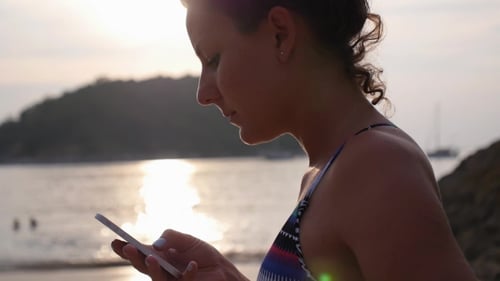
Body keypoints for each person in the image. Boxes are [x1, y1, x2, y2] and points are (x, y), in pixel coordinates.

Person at [111, 0, 479, 280]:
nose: (203, 93)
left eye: (213, 59)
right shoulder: (330, 171)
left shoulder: (375, 169)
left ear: (280, 34)